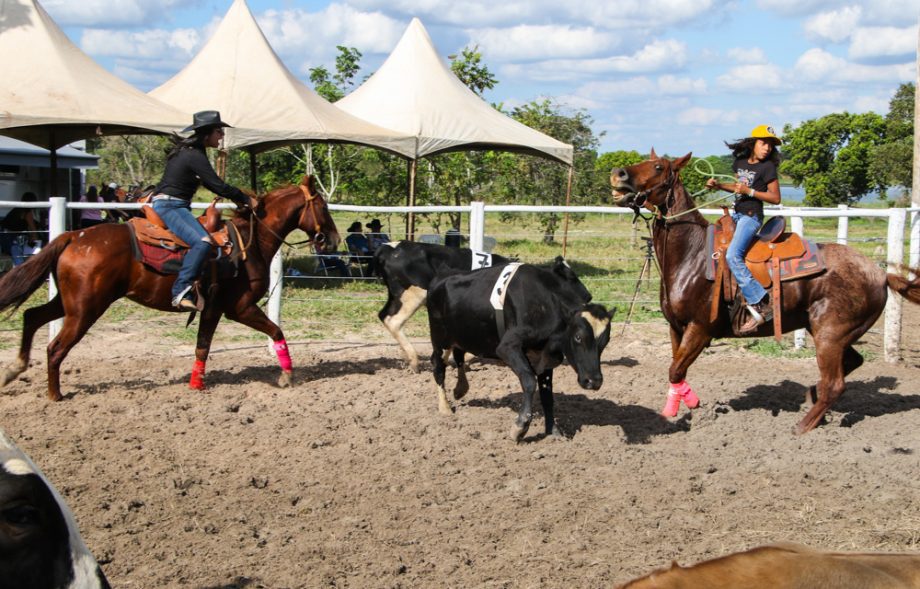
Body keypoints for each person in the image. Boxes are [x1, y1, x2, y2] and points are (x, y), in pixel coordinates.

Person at [153, 110, 257, 310]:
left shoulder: (190, 152)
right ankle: (180, 291)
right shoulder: (194, 155)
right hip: (171, 205)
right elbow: (217, 185)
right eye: (219, 131)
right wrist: (244, 198)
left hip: (173, 204)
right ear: (206, 133)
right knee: (202, 243)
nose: (222, 136)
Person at [706, 124, 783, 334]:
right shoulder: (739, 163)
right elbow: (738, 187)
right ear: (753, 143)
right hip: (736, 215)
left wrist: (750, 191)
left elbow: (775, 198)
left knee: (733, 256)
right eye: (763, 143)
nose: (767, 148)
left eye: (770, 145)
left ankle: (760, 302)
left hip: (751, 217)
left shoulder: (768, 168)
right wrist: (719, 186)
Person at [1, 192, 44, 266]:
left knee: (25, 246)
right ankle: (23, 267)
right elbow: (34, 231)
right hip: (10, 239)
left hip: (5, 237)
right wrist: (36, 243)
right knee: (20, 248)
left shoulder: (17, 210)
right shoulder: (27, 213)